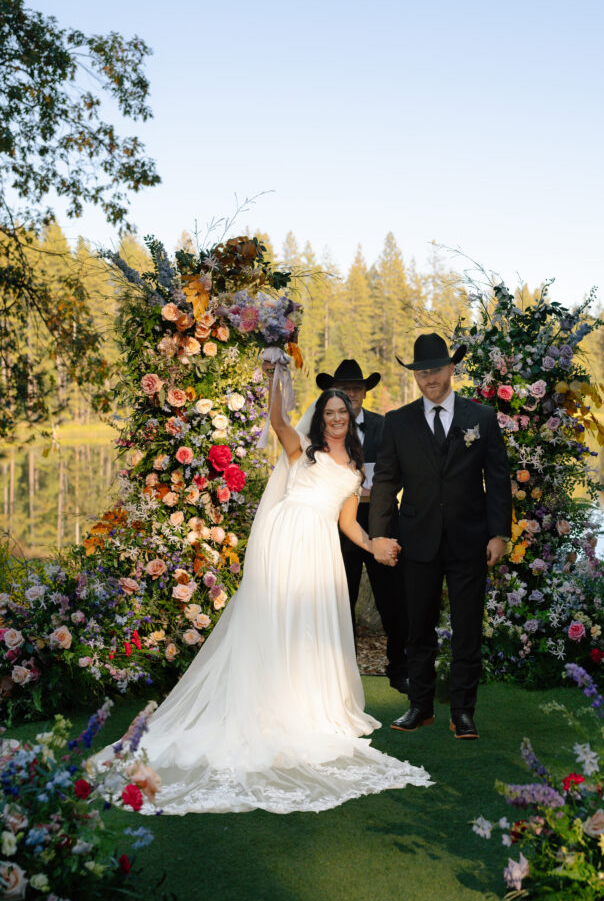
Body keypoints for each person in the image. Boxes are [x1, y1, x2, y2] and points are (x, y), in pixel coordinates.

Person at [95, 362, 431, 814]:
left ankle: (305, 701)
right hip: (285, 537)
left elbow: (348, 524)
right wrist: (275, 375)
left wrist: (374, 545)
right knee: (278, 617)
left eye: (342, 413)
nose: (337, 418)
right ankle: (267, 702)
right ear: (320, 418)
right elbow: (276, 420)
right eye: (330, 412)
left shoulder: (354, 470)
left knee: (308, 623)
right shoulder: (303, 450)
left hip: (321, 547)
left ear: (350, 418)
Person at [369, 333, 512, 741]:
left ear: (451, 368)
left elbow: (497, 479)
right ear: (415, 376)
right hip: (416, 540)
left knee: (467, 630)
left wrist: (499, 533)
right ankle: (420, 706)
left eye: (435, 369)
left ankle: (463, 713)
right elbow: (385, 481)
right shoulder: (398, 421)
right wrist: (378, 535)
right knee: (418, 629)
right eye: (421, 372)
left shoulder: (481, 417)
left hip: (470, 540)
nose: (429, 378)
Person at [316, 359, 409, 695]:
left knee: (393, 599)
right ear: (333, 393)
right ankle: (343, 673)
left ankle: (400, 668)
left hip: (381, 520)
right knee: (341, 599)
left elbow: (399, 471)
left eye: (357, 388)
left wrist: (373, 487)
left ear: (366, 392)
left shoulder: (386, 425)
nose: (352, 394)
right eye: (345, 389)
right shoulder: (322, 430)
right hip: (338, 524)